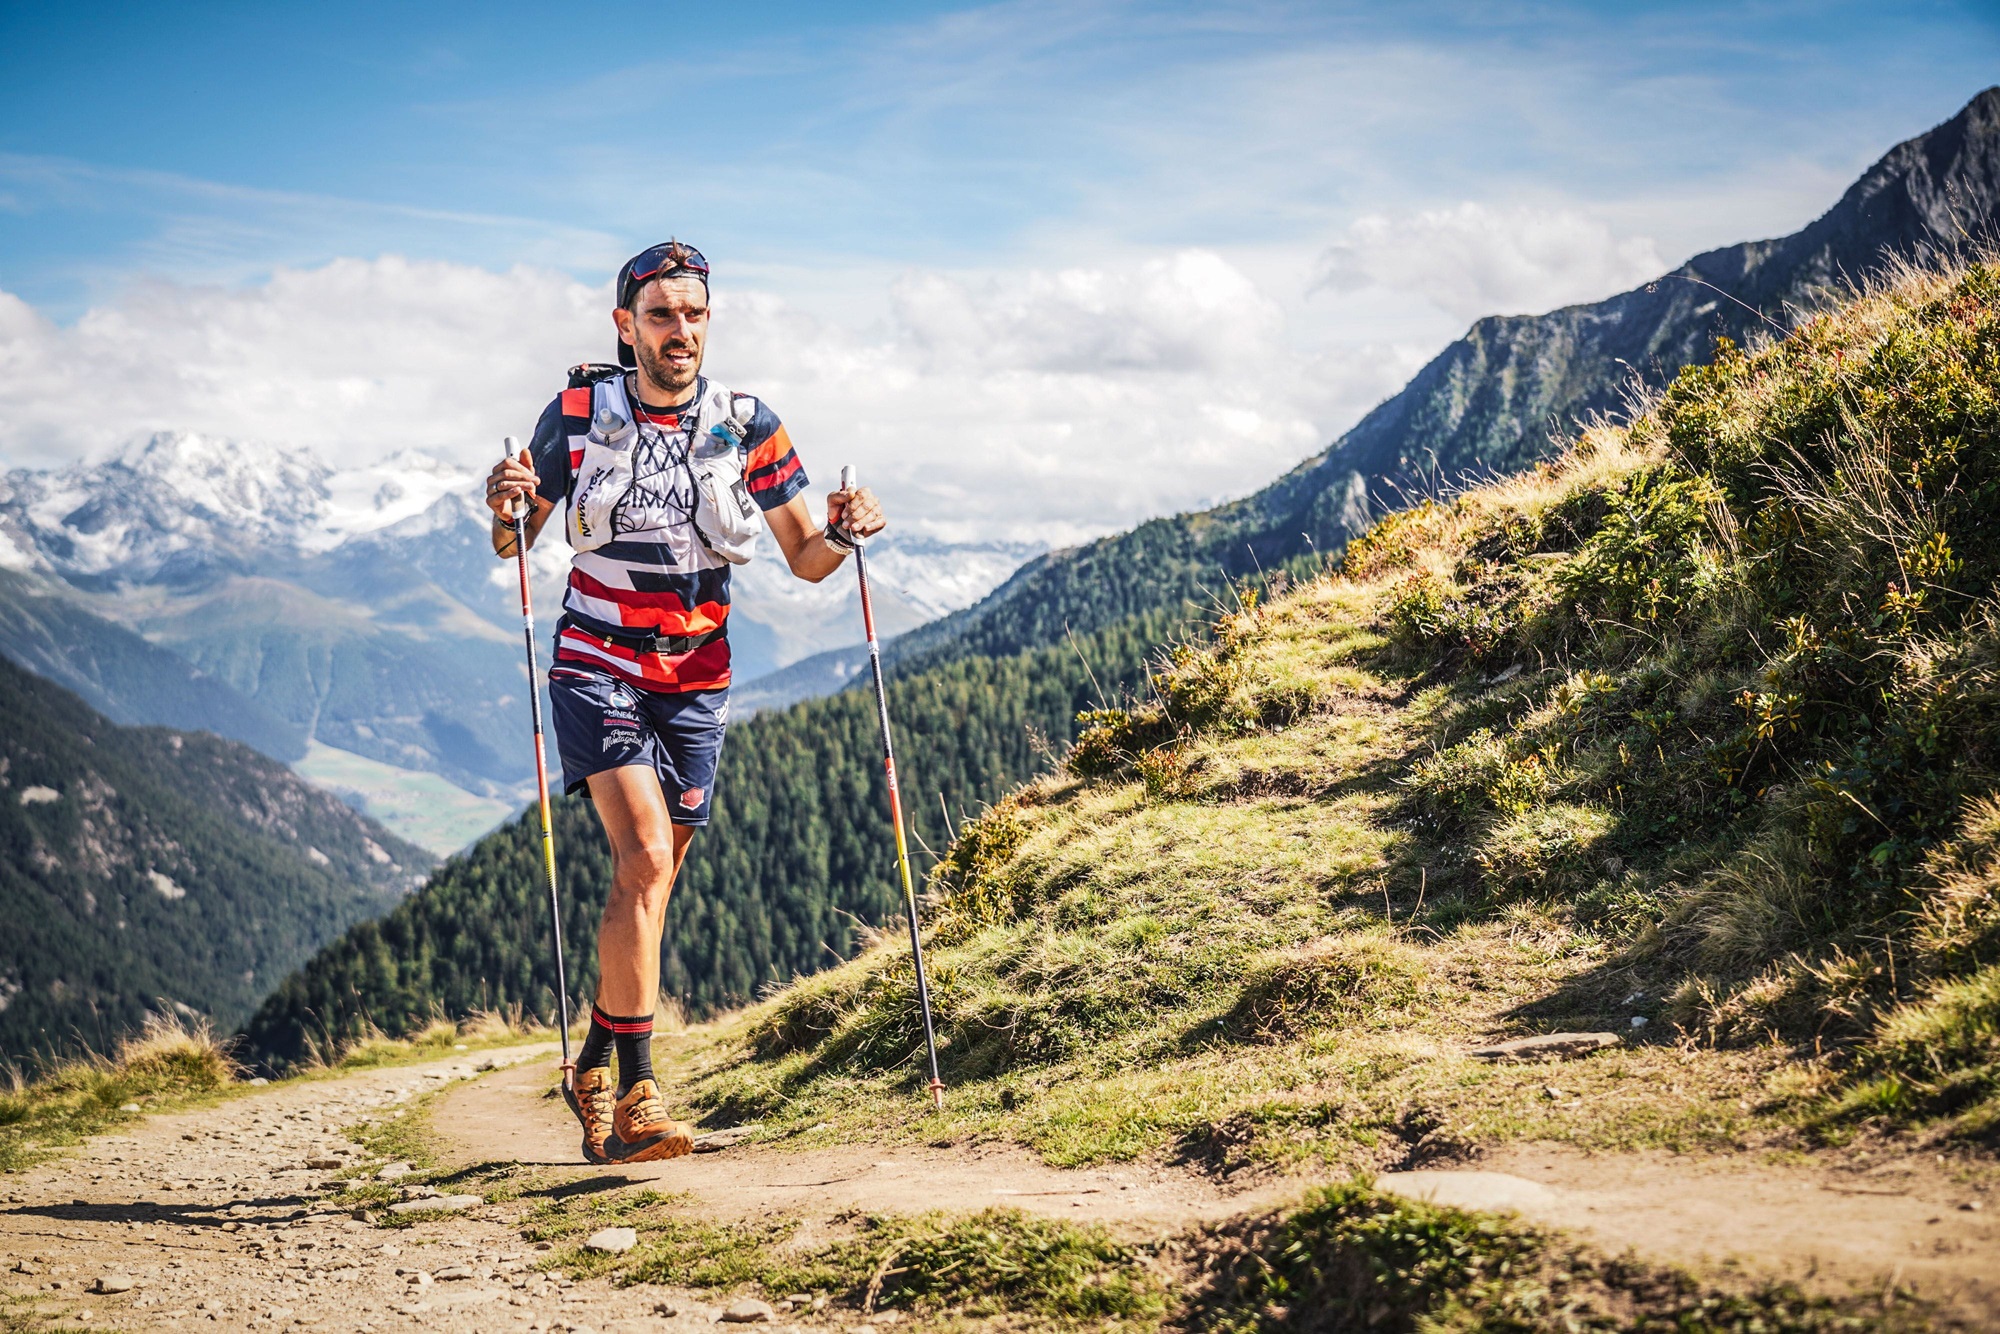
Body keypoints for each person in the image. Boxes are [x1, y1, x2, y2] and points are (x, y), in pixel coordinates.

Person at [483, 241, 886, 1163]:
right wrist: (502, 499)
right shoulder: (580, 410)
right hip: (597, 660)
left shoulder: (749, 423)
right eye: (660, 315)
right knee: (648, 857)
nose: (680, 331)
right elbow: (517, 542)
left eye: (694, 314)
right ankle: (638, 1100)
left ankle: (588, 1069)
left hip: (698, 678)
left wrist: (850, 528)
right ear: (625, 326)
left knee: (654, 886)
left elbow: (808, 559)